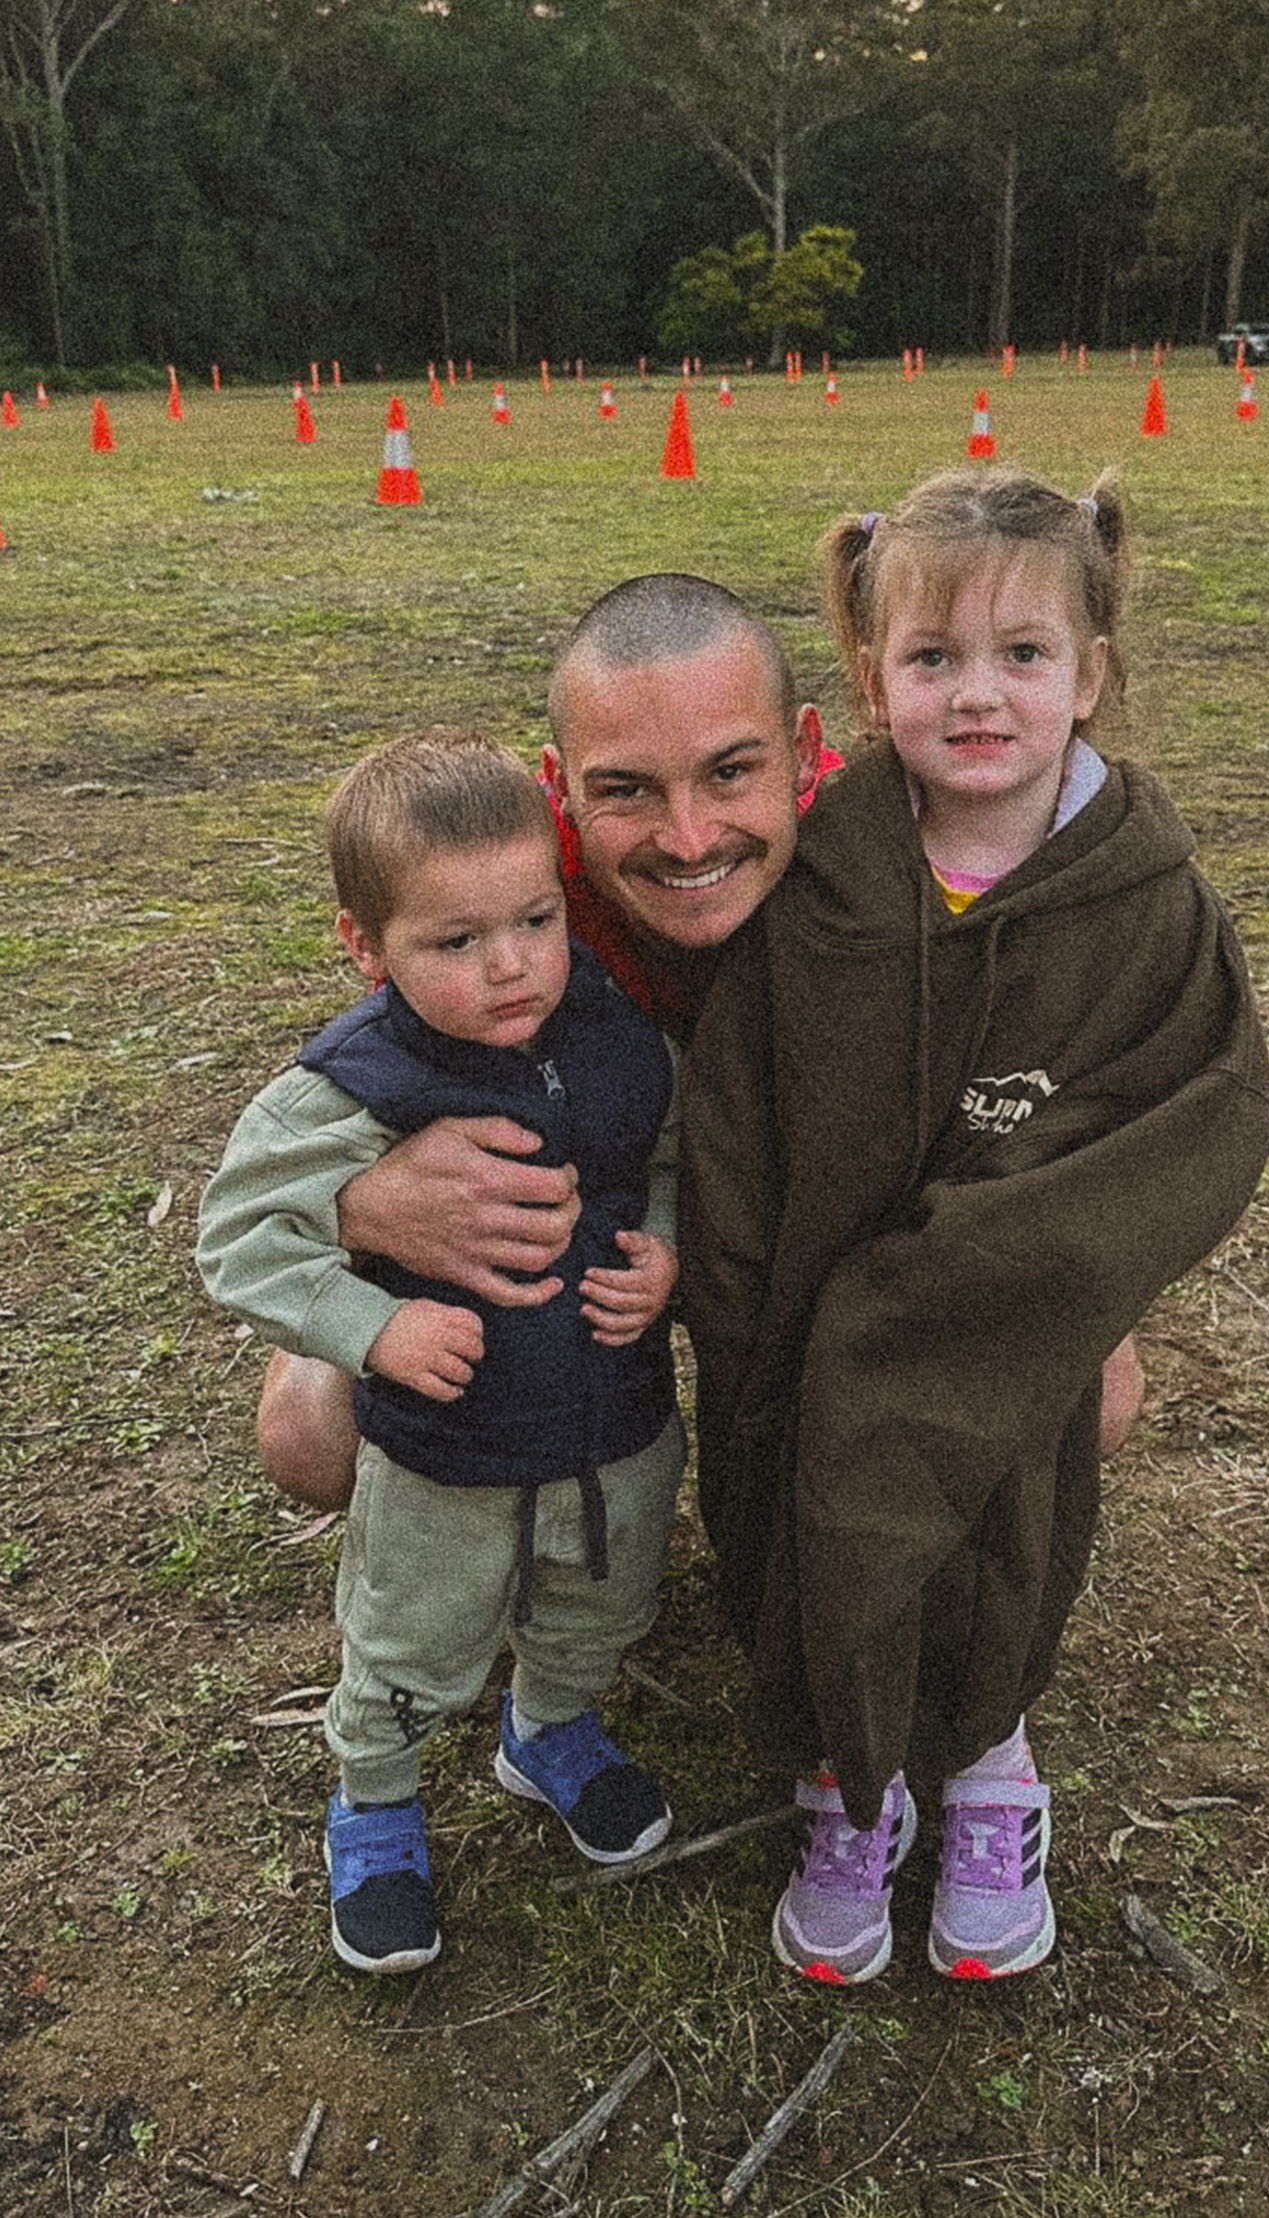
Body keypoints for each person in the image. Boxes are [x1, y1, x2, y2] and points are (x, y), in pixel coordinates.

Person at [678, 468, 1269, 1986]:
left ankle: (988, 1750)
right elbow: (745, 1094)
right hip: (818, 1288)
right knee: (815, 1470)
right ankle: (842, 1775)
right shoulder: (820, 882)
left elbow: (1194, 1103)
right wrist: (752, 1286)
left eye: (1023, 655)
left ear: (1091, 671)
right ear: (869, 678)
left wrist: (1038, 1265)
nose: (977, 695)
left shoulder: (1144, 902)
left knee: (1008, 1487)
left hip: (1015, 1291)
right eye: (931, 658)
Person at [252, 576, 1146, 1519]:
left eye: (729, 773)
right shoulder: (509, 900)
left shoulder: (902, 879)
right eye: (627, 791)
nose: (687, 840)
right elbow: (371, 1069)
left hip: (805, 1235)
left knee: (1095, 1399)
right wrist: (361, 1202)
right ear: (557, 786)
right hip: (588, 1241)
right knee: (311, 1435)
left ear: (804, 754)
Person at [197, 733, 686, 1973]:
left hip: (614, 1421)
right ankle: (373, 1796)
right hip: (442, 1452)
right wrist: (373, 1326)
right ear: (364, 946)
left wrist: (666, 1251)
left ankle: (550, 1726)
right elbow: (238, 1236)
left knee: (598, 1600)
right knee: (411, 1633)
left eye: (534, 919)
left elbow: (669, 1157)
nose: (510, 964)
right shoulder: (355, 1083)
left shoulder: (616, 1034)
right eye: (453, 943)